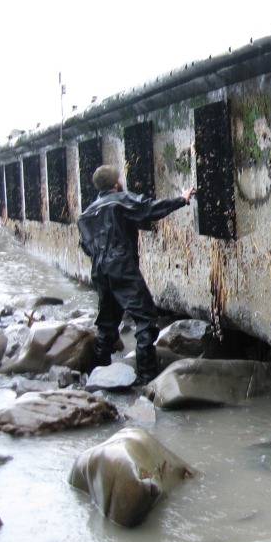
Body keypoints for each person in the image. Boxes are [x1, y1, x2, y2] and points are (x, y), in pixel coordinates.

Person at [78, 164, 196, 384]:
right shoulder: (119, 200)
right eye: (119, 179)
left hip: (99, 269)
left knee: (107, 322)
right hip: (121, 265)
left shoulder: (85, 215)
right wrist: (182, 199)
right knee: (146, 318)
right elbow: (148, 208)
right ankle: (147, 378)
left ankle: (98, 375)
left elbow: (86, 246)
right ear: (115, 183)